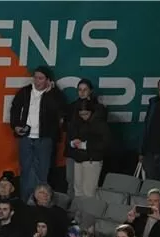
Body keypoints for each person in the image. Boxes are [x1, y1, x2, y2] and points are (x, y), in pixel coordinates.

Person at [9, 66, 67, 201]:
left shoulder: (55, 95)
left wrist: (51, 93)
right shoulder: (25, 92)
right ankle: (26, 202)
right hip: (26, 137)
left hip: (44, 138)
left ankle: (40, 203)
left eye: (40, 78)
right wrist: (16, 125)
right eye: (35, 77)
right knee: (26, 172)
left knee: (42, 174)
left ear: (48, 80)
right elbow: (15, 109)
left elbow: (60, 111)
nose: (37, 81)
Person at [67, 99, 110, 197]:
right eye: (81, 114)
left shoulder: (100, 123)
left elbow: (106, 143)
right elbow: (70, 136)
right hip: (78, 158)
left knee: (89, 192)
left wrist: (85, 145)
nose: (83, 117)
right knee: (78, 190)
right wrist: (73, 143)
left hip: (92, 160)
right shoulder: (76, 121)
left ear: (92, 112)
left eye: (86, 114)